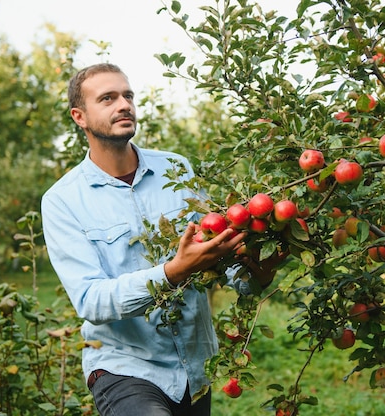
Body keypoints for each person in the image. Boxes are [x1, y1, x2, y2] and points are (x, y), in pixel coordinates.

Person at [41, 63, 280, 416]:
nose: (123, 104)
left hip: (196, 369)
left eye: (127, 95)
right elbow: (91, 300)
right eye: (107, 98)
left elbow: (217, 261)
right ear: (80, 116)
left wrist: (258, 272)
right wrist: (173, 272)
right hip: (125, 368)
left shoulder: (176, 169)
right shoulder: (63, 200)